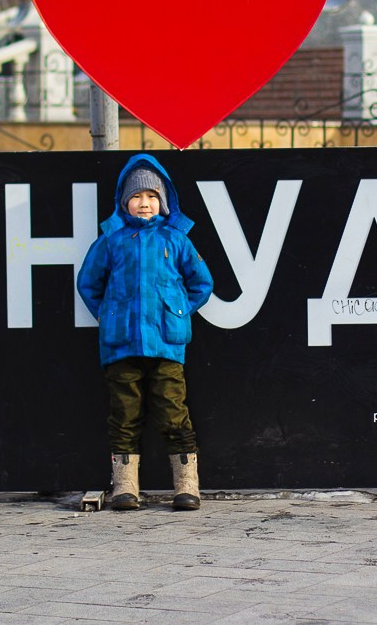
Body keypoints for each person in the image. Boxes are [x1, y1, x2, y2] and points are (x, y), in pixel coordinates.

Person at [77, 153, 214, 510]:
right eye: (137, 197)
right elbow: (88, 283)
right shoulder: (112, 241)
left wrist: (178, 312)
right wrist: (108, 316)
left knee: (173, 411)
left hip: (166, 345)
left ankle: (186, 486)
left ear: (163, 201)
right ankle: (125, 487)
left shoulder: (176, 239)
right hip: (121, 345)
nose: (144, 203)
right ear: (124, 201)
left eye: (152, 196)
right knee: (124, 414)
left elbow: (201, 283)